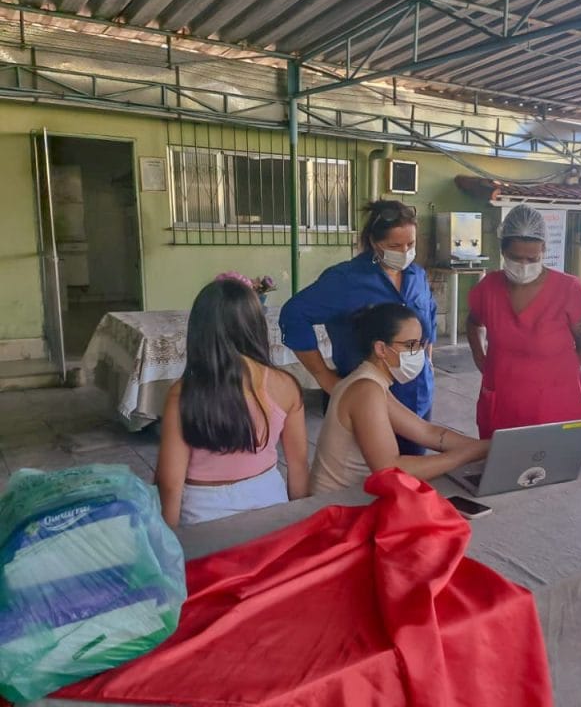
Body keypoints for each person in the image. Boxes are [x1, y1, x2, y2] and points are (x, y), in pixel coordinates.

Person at [280, 200, 437, 455]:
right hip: (363, 399)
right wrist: (323, 376)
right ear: (374, 242)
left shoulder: (417, 275)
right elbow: (293, 315)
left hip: (416, 397)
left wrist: (427, 360)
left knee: (412, 469)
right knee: (368, 471)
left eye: (411, 244)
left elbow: (429, 317)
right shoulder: (346, 280)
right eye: (395, 246)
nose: (405, 252)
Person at [156, 278, 309, 527]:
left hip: (202, 512)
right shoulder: (285, 385)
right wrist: (300, 526)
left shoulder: (183, 393)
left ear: (200, 331)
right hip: (270, 500)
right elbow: (299, 466)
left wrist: (167, 539)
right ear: (256, 326)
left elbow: (170, 484)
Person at [312, 303, 488, 493]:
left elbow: (427, 432)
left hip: (352, 496)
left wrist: (489, 447)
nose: (419, 353)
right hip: (335, 501)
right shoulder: (366, 390)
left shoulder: (371, 382)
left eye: (420, 344)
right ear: (381, 349)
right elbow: (389, 469)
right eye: (411, 345)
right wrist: (463, 456)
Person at [466, 204, 581, 439]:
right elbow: (473, 323)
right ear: (502, 250)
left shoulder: (568, 289)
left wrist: (548, 375)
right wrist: (481, 358)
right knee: (499, 459)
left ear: (544, 249)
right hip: (502, 405)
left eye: (532, 258)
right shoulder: (489, 288)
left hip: (555, 407)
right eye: (516, 258)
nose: (524, 266)